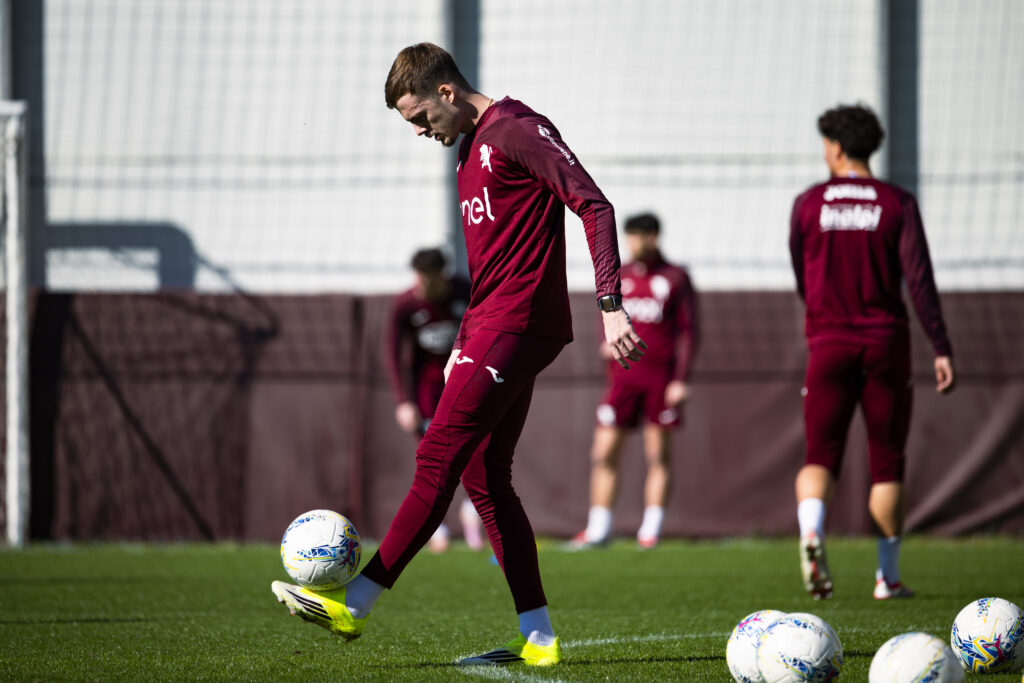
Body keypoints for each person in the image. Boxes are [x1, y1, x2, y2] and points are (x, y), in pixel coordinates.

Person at [271, 42, 646, 667]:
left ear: (446, 92)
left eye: (421, 117)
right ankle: (540, 639)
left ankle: (355, 602)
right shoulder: (468, 151)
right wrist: (465, 339)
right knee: (483, 476)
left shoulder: (518, 128)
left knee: (436, 457)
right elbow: (489, 267)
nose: (421, 131)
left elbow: (594, 205)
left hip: (518, 324)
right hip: (492, 327)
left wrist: (611, 303)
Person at [789, 104, 955, 601]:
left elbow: (801, 274)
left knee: (820, 454)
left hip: (828, 342)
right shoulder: (896, 201)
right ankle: (888, 577)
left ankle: (812, 531)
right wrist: (941, 346)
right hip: (885, 343)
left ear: (837, 147)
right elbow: (919, 280)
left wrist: (822, 317)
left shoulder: (808, 203)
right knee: (887, 459)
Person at [571, 213, 699, 550]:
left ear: (653, 236)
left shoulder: (675, 277)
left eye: (637, 236)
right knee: (603, 452)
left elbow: (690, 332)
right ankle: (599, 529)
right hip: (622, 381)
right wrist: (605, 343)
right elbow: (606, 314)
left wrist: (680, 379)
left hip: (660, 380)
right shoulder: (620, 275)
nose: (631, 244)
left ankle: (650, 531)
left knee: (657, 455)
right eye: (628, 237)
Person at [385, 247, 484, 553]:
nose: (423, 283)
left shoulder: (464, 292)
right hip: (427, 392)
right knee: (433, 458)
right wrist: (403, 400)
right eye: (419, 276)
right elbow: (393, 355)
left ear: (442, 274)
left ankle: (472, 510)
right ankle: (437, 527)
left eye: (429, 277)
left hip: (463, 384)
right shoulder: (406, 304)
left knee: (475, 450)